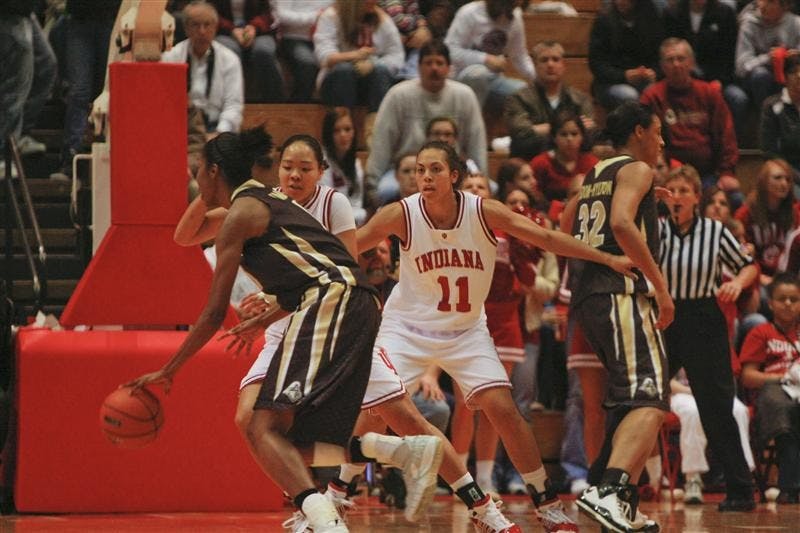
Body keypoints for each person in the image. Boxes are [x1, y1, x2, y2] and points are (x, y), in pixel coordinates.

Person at [126, 130, 444, 532]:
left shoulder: (242, 214)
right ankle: (401, 452)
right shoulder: (264, 199)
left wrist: (169, 370)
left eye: (199, 173)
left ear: (213, 171)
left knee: (263, 428)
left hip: (333, 303)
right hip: (344, 302)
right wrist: (268, 315)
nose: (196, 181)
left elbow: (213, 312)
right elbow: (310, 266)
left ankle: (326, 521)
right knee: (287, 437)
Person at [334, 140, 639, 532]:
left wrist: (608, 258)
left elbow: (545, 239)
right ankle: (339, 496)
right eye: (420, 170)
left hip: (465, 330)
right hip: (406, 329)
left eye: (435, 170)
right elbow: (348, 248)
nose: (425, 177)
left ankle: (547, 507)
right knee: (373, 411)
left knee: (505, 411)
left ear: (454, 175)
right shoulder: (401, 214)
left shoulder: (483, 212)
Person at [568, 102, 672, 533]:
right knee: (651, 397)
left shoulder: (597, 173)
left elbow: (568, 217)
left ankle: (610, 492)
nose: (662, 140)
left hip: (590, 295)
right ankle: (610, 490)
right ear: (639, 132)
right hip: (621, 293)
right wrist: (660, 286)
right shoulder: (636, 168)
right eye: (658, 131)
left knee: (629, 399)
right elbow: (623, 225)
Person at [658, 164, 758, 510]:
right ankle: (617, 482)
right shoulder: (653, 231)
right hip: (665, 318)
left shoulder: (715, 232)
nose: (678, 197)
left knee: (716, 406)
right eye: (671, 191)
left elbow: (749, 265)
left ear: (697, 198)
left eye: (685, 191)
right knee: (646, 399)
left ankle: (741, 489)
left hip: (704, 318)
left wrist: (736, 283)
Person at [367, 40, 486, 205]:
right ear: (418, 66)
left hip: (453, 170)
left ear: (449, 67)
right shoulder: (398, 95)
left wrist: (482, 177)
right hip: (408, 170)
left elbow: (476, 142)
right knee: (385, 190)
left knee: (487, 189)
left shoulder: (465, 96)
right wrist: (372, 183)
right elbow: (381, 142)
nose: (434, 68)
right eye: (428, 63)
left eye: (439, 63)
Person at [640, 38, 740, 198]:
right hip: (669, 176)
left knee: (734, 198)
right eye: (670, 60)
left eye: (681, 58)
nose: (676, 64)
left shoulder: (709, 93)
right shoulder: (652, 96)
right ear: (662, 66)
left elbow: (726, 135)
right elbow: (644, 139)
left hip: (708, 176)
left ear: (692, 62)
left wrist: (726, 172)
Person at [740, 273, 800, 504]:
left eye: (794, 299)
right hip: (773, 391)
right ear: (770, 303)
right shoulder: (761, 333)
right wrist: (783, 376)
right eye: (782, 298)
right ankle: (790, 487)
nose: (788, 304)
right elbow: (748, 377)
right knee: (785, 410)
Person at [52, 0, 120, 180]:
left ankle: (106, 160)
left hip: (110, 23)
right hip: (79, 21)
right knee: (80, 92)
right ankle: (70, 159)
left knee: (106, 92)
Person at [662, 0, 747, 140]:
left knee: (738, 98)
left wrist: (720, 80)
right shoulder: (672, 13)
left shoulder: (725, 13)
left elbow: (729, 54)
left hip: (717, 78)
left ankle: (729, 143)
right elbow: (668, 51)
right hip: (682, 79)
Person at [505, 40, 596, 161]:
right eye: (544, 60)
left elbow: (589, 136)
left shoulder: (580, 99)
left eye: (555, 59)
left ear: (563, 65)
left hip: (571, 167)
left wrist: (539, 129)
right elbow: (521, 135)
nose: (550, 65)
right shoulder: (518, 98)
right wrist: (569, 129)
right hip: (529, 164)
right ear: (535, 66)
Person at [162, 1, 244, 134]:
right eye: (195, 25)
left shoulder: (230, 60)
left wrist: (219, 134)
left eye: (207, 25)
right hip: (180, 127)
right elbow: (164, 102)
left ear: (215, 28)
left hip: (216, 126)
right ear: (186, 28)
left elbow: (233, 106)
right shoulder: (171, 58)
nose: (202, 31)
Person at [313, 0, 404, 116]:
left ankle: (374, 125)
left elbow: (396, 54)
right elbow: (324, 57)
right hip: (336, 79)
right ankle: (343, 122)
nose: (375, 2)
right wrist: (354, 56)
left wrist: (374, 63)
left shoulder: (382, 18)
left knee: (381, 70)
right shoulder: (331, 16)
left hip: (369, 80)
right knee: (344, 70)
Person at [444, 0, 535, 108]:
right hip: (461, 78)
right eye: (512, 4)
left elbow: (520, 56)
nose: (514, 8)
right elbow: (449, 51)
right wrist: (485, 59)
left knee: (526, 94)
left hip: (494, 80)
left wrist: (538, 78)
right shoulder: (469, 13)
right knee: (478, 74)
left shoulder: (515, 15)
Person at [0, 4, 56, 177]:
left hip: (25, 10)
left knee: (46, 65)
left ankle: (21, 133)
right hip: (10, 12)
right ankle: (3, 153)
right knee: (16, 84)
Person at [588, 0, 663, 110]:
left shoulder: (651, 19)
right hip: (609, 83)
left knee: (654, 92)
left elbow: (659, 57)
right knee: (629, 95)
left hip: (642, 79)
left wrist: (653, 72)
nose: (621, 2)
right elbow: (597, 64)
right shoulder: (603, 21)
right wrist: (624, 75)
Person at [210, 0, 283, 103]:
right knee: (230, 51)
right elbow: (210, 13)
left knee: (263, 51)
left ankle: (275, 103)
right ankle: (229, 102)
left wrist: (254, 28)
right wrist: (231, 30)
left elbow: (268, 13)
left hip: (259, 32)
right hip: (224, 32)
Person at [735, 0, 800, 112]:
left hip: (788, 75)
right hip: (758, 80)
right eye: (762, 0)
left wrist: (794, 56)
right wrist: (768, 58)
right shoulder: (749, 24)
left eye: (770, 2)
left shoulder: (796, 23)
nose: (763, 5)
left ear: (784, 6)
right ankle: (768, 120)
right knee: (761, 76)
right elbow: (741, 67)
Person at [530, 110, 599, 203]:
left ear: (582, 137)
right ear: (554, 137)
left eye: (574, 134)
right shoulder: (540, 163)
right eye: (563, 134)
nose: (569, 139)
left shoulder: (592, 163)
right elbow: (534, 195)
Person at [272, 0, 332, 102]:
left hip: (328, 38)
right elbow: (281, 15)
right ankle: (296, 109)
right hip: (295, 38)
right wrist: (315, 17)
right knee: (307, 64)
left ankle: (335, 111)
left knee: (338, 65)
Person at [320, 107, 368, 226]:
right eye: (336, 131)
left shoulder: (355, 164)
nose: (343, 135)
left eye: (347, 129)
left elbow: (357, 202)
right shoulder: (321, 163)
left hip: (352, 221)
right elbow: (328, 206)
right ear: (328, 134)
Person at [760, 54, 800, 174]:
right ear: (785, 77)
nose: (799, 76)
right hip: (787, 172)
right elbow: (769, 152)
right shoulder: (771, 106)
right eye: (793, 72)